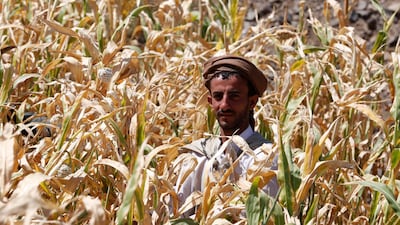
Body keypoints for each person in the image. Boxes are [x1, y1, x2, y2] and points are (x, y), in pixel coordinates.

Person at [175, 54, 279, 216]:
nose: (224, 105)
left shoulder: (266, 158)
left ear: (252, 102)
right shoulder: (197, 156)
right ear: (210, 101)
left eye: (234, 96)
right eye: (218, 96)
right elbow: (177, 213)